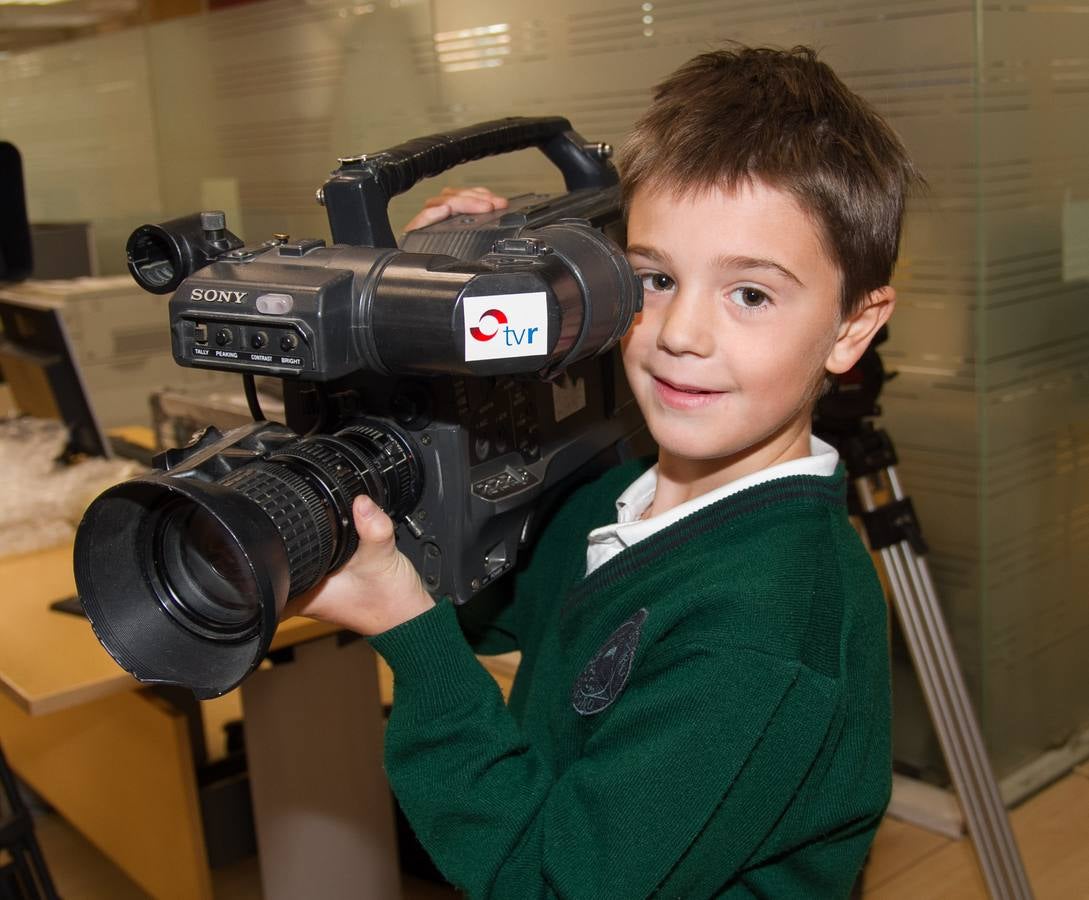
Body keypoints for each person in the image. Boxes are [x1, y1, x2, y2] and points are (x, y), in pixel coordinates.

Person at [287, 45, 920, 898]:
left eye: (751, 295)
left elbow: (549, 884)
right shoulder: (631, 499)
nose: (680, 333)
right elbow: (490, 606)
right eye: (654, 278)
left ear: (852, 326)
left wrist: (409, 634)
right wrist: (441, 305)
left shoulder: (762, 626)